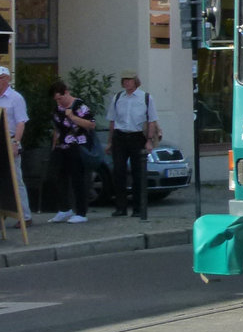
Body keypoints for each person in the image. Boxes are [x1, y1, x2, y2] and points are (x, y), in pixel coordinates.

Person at [106, 69, 161, 216]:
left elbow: (151, 121)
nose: (126, 82)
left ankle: (138, 208)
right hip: (120, 136)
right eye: (124, 80)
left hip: (137, 137)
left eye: (129, 80)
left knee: (138, 173)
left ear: (136, 81)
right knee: (119, 172)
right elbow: (112, 121)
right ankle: (120, 207)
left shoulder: (146, 98)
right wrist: (110, 141)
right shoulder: (118, 98)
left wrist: (149, 141)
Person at [47, 80, 95, 224]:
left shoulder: (79, 106)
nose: (59, 102)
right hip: (62, 147)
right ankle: (64, 208)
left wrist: (72, 117)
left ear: (66, 92)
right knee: (58, 177)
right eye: (56, 99)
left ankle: (81, 212)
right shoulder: (58, 108)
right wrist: (54, 145)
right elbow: (57, 127)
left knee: (77, 179)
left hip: (77, 146)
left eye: (60, 98)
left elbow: (91, 124)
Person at [0, 66, 31, 227]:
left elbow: (21, 122)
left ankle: (25, 216)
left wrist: (15, 143)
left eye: (0, 78)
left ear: (7, 79)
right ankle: (3, 212)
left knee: (16, 179)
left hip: (10, 140)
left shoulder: (15, 98)